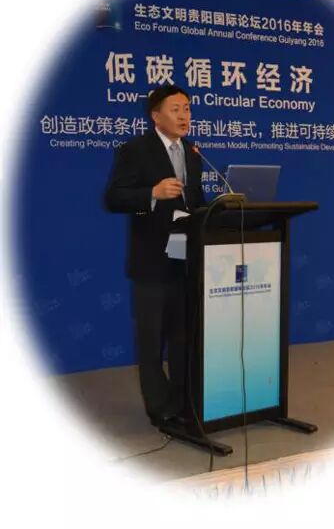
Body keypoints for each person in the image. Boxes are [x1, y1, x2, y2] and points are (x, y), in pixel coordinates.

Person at [104, 84, 206, 427]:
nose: (184, 115)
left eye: (187, 109)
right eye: (176, 109)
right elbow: (114, 198)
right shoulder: (135, 150)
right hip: (151, 260)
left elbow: (196, 203)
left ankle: (184, 400)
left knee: (182, 337)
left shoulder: (192, 153)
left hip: (186, 258)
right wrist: (152, 193)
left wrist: (222, 210)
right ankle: (160, 408)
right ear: (155, 116)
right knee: (152, 339)